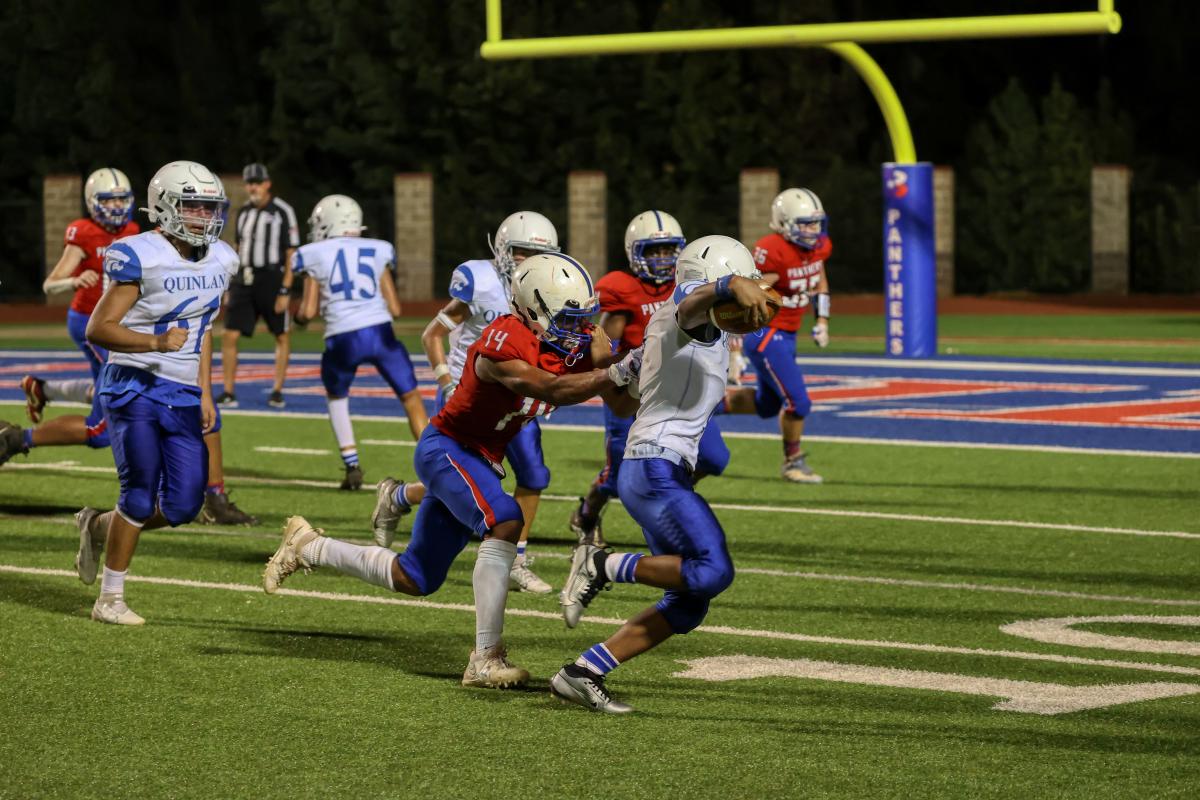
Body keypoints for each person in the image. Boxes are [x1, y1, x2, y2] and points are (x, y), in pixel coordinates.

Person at [262, 252, 641, 689]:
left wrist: (622, 367)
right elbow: (550, 387)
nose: (578, 330)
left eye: (582, 319)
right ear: (533, 309)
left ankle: (309, 546)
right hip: (448, 449)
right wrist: (613, 369)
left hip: (480, 460)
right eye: (568, 319)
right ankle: (485, 658)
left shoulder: (569, 340)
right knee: (505, 519)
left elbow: (620, 405)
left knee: (415, 577)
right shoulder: (504, 337)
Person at [553, 235, 773, 714]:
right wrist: (729, 285)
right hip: (655, 468)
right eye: (741, 281)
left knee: (689, 601)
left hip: (654, 468)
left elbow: (623, 401)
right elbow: (692, 302)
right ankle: (600, 564)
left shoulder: (676, 331)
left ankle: (583, 671)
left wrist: (765, 400)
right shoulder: (683, 314)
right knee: (713, 569)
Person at [73, 160, 238, 625]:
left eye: (209, 207)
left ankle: (98, 525)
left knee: (184, 504)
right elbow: (98, 328)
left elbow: (202, 328)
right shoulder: (140, 254)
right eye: (193, 206)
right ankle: (110, 599)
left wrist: (204, 390)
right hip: (134, 384)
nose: (204, 216)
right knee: (140, 494)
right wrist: (155, 343)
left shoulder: (222, 258)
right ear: (165, 206)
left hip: (182, 390)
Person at [414, 210, 560, 594]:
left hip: (515, 397)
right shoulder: (479, 280)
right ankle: (399, 498)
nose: (527, 261)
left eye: (536, 253)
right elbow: (432, 334)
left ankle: (516, 560)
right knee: (459, 483)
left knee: (534, 475)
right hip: (470, 395)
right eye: (521, 251)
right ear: (503, 249)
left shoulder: (546, 289)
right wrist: (446, 382)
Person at [569, 210, 731, 547]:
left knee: (714, 457)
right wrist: (627, 371)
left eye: (668, 249)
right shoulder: (623, 289)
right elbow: (606, 349)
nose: (662, 258)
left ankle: (670, 492)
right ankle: (587, 514)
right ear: (634, 252)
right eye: (654, 250)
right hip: (632, 386)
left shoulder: (688, 285)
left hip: (675, 388)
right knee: (616, 475)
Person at [1, 169, 139, 462]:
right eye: (108, 200)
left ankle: (43, 390)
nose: (116, 206)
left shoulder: (133, 230)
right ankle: (16, 438)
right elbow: (50, 284)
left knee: (110, 387)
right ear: (92, 202)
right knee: (110, 406)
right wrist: (74, 281)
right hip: (90, 322)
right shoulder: (83, 232)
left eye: (121, 199)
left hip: (116, 322)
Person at [291, 194, 428, 489]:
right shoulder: (378, 249)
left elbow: (308, 311)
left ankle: (352, 465)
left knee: (337, 397)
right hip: (381, 333)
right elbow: (396, 309)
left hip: (342, 337)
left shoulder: (314, 253)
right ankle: (435, 465)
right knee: (410, 397)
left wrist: (297, 320)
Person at [721, 187, 831, 484]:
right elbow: (742, 298)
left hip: (788, 335)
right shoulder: (773, 251)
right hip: (766, 334)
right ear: (784, 223)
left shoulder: (819, 247)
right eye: (805, 224)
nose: (813, 230)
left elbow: (819, 280)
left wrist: (822, 319)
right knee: (799, 403)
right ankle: (792, 461)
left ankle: (699, 407)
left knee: (767, 404)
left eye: (816, 223)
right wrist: (734, 349)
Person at [218, 163, 299, 409]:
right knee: (229, 334)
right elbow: (238, 248)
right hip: (245, 278)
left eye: (257, 182)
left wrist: (285, 289)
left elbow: (291, 253)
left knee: (281, 334)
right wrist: (230, 284)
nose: (253, 187)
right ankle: (228, 392)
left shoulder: (283, 211)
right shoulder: (243, 212)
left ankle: (277, 390)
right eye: (249, 183)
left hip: (272, 278)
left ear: (267, 184)